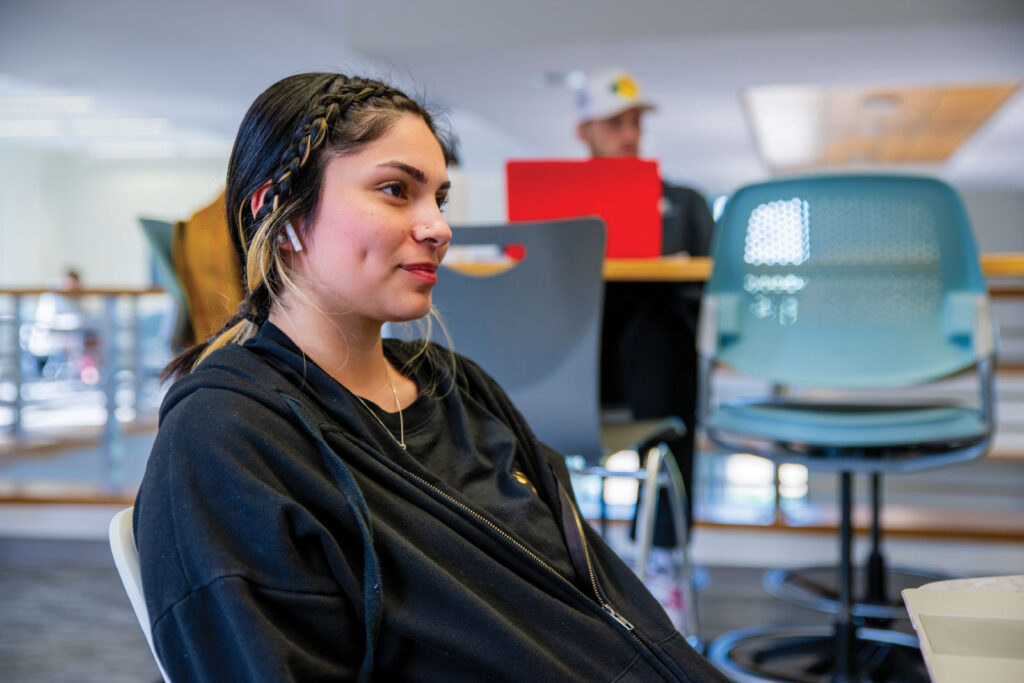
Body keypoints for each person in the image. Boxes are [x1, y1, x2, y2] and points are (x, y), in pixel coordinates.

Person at [133, 72, 726, 682]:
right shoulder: (229, 438)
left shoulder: (460, 391)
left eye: (438, 199)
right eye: (395, 190)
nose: (439, 228)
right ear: (278, 216)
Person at [576, 71, 714, 563]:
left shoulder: (687, 204)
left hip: (655, 367)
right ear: (584, 132)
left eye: (635, 122)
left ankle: (661, 557)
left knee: (659, 317)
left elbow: (708, 294)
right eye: (615, 124)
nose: (631, 135)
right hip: (577, 360)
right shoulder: (553, 210)